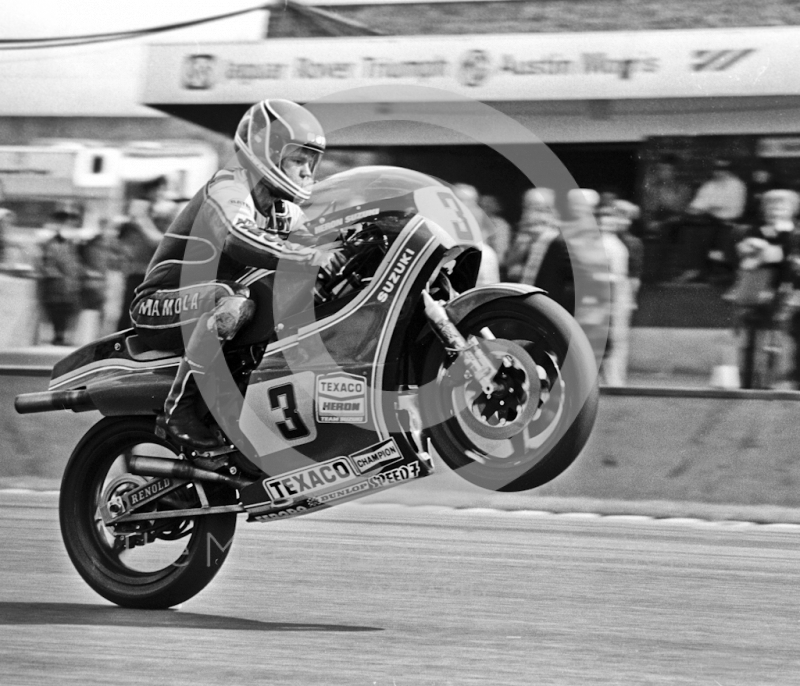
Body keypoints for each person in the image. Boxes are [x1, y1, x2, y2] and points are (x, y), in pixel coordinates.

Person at [130, 99, 343, 451]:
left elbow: (322, 239)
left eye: (311, 161)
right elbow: (237, 238)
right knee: (232, 301)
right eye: (297, 159)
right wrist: (311, 256)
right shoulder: (229, 186)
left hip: (206, 301)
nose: (307, 171)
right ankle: (179, 409)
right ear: (267, 152)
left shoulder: (281, 210)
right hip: (160, 303)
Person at [725, 189, 799, 388]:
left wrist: (769, 251)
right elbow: (747, 258)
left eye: (782, 206)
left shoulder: (795, 233)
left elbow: (787, 261)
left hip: (787, 291)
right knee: (751, 337)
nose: (776, 210)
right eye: (772, 205)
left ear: (792, 209)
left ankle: (773, 381)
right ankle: (749, 381)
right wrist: (765, 251)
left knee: (778, 337)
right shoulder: (754, 231)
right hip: (757, 289)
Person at [115, 176, 178, 331]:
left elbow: (161, 242)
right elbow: (153, 241)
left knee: (147, 312)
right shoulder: (138, 218)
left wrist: (144, 218)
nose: (161, 194)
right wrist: (141, 218)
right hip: (139, 271)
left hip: (155, 271)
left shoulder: (159, 215)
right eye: (159, 189)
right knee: (131, 312)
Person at [677, 158, 747, 283]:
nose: (719, 172)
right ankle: (694, 269)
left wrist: (708, 208)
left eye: (723, 169)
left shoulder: (737, 185)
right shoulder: (709, 185)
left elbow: (730, 208)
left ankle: (707, 270)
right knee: (690, 228)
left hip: (728, 221)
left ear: (729, 171)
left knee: (703, 232)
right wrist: (701, 209)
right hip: (707, 220)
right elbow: (695, 205)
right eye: (717, 169)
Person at [508, 188, 574, 314]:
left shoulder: (560, 244)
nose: (531, 215)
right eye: (527, 208)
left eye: (542, 210)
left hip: (547, 312)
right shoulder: (523, 242)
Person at [36, 205, 84, 345]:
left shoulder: (71, 244)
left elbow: (74, 263)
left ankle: (61, 336)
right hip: (57, 286)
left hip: (68, 285)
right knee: (56, 311)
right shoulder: (50, 243)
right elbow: (47, 264)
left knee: (65, 311)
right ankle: (57, 336)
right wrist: (55, 274)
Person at [640, 155, 692, 281]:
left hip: (675, 223)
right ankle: (647, 274)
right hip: (656, 219)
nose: (663, 173)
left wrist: (662, 222)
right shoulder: (653, 189)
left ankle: (660, 275)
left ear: (674, 172)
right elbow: (649, 209)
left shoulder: (683, 189)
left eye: (667, 170)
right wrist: (650, 221)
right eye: (661, 170)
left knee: (666, 231)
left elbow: (681, 212)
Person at [477, 194, 512, 276]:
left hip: (489, 267)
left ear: (496, 207)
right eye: (481, 205)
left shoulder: (500, 224)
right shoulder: (474, 221)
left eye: (488, 206)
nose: (484, 209)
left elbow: (500, 256)